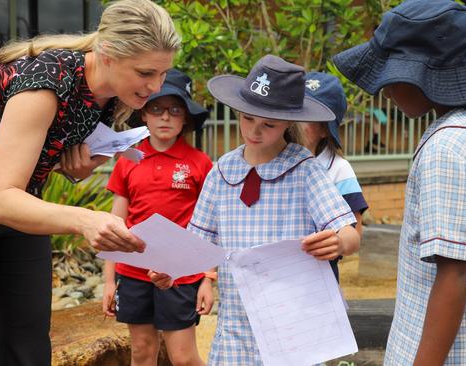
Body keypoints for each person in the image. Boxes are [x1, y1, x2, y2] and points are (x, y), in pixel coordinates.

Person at [0, 1, 180, 365]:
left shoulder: (111, 93)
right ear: (107, 53)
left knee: (28, 343)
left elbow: (37, 158)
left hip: (18, 205)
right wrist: (84, 219)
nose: (155, 87)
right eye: (145, 73)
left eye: (162, 73)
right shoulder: (45, 81)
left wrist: (75, 166)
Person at [332, 0, 466, 364]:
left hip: (461, 352)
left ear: (423, 75)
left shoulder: (448, 147)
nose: (384, 90)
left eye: (390, 75)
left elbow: (454, 275)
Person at [150, 55, 361, 365]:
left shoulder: (304, 169)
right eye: (247, 118)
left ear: (289, 122)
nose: (254, 130)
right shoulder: (222, 171)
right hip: (236, 322)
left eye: (268, 124)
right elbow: (198, 243)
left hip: (292, 324)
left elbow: (351, 234)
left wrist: (339, 242)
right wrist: (171, 268)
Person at [102, 69, 214, 366]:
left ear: (185, 118)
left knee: (183, 357)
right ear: (143, 116)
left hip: (181, 273)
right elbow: (116, 223)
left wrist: (208, 278)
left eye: (174, 110)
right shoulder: (128, 161)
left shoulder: (200, 164)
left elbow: (211, 226)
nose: (165, 117)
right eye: (156, 108)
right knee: (141, 351)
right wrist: (110, 281)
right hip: (133, 271)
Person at [300, 71, 369, 282]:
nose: (296, 120)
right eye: (295, 110)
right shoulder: (271, 162)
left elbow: (354, 231)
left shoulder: (339, 169)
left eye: (308, 115)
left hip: (320, 279)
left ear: (325, 130)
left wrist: (337, 242)